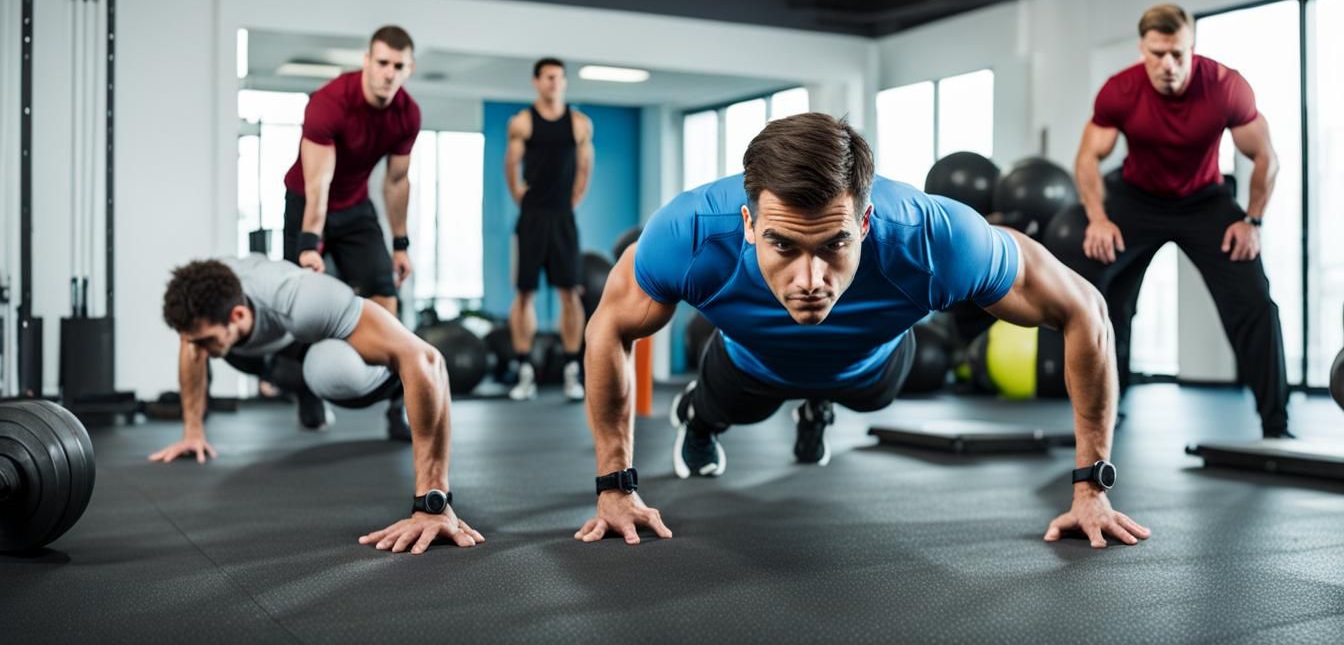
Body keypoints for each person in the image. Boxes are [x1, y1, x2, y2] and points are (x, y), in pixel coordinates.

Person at [577, 113, 1150, 550]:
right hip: (751, 360)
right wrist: (615, 485)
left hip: (871, 366)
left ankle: (818, 404)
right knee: (726, 403)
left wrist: (1091, 487)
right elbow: (608, 328)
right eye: (784, 245)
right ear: (749, 224)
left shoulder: (932, 239)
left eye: (835, 244)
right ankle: (699, 422)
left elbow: (1087, 311)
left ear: (866, 221)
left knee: (871, 390)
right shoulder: (692, 233)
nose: (810, 279)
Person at [149, 255, 483, 554]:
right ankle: (300, 387)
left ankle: (394, 390)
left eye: (205, 339)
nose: (197, 349)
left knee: (329, 371)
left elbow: (426, 358)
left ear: (238, 314)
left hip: (319, 338)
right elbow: (192, 347)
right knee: (218, 348)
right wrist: (192, 431)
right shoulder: (202, 300)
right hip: (276, 351)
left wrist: (432, 504)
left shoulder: (302, 298)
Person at [1071, 3, 1289, 438]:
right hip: (1136, 199)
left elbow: (1265, 156)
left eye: (1177, 54)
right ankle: (1107, 409)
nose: (1167, 65)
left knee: (1253, 302)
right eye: (1156, 54)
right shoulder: (1120, 90)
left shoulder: (1226, 86)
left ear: (1192, 47)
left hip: (1204, 200)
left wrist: (1252, 221)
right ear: (1142, 49)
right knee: (1100, 295)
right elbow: (1087, 158)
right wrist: (1097, 218)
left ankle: (1276, 425)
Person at [280, 25, 421, 430]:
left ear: (409, 68)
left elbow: (395, 182)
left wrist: (400, 243)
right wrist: (310, 243)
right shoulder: (330, 103)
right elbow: (318, 183)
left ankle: (397, 402)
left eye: (398, 65)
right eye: (381, 63)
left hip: (357, 205)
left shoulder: (407, 114)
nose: (388, 73)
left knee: (386, 297)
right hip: (306, 200)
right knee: (304, 307)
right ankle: (307, 388)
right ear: (367, 61)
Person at [504, 57, 595, 402]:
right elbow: (511, 165)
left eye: (559, 78)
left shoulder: (579, 124)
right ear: (536, 82)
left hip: (562, 217)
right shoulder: (523, 122)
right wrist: (519, 196)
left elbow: (586, 166)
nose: (554, 83)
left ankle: (572, 369)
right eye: (548, 78)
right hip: (531, 218)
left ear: (564, 82)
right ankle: (525, 369)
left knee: (570, 292)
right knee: (525, 293)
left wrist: (573, 200)